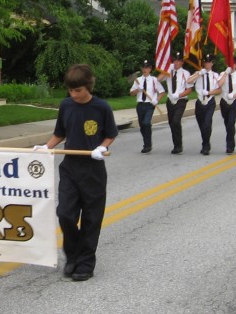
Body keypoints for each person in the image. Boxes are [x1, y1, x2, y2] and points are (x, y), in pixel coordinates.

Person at [34, 64, 118, 281]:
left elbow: (110, 134)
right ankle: (73, 255)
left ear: (88, 86)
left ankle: (86, 264)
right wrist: (46, 147)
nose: (74, 95)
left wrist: (102, 147)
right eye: (71, 90)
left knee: (91, 218)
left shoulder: (101, 108)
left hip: (93, 170)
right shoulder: (66, 106)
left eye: (78, 90)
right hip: (70, 167)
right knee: (65, 214)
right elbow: (60, 133)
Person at [187, 53, 223, 155]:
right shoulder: (198, 74)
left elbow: (219, 90)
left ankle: (206, 145)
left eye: (209, 62)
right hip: (199, 102)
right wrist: (199, 74)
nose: (207, 64)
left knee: (207, 123)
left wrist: (209, 92)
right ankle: (205, 142)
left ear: (212, 64)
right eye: (206, 62)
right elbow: (188, 81)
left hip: (210, 101)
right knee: (202, 125)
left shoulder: (215, 76)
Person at [159, 52, 192, 154]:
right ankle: (176, 145)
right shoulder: (170, 71)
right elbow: (158, 79)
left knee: (176, 121)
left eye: (178, 61)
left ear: (182, 62)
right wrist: (166, 70)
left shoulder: (186, 73)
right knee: (171, 123)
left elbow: (189, 89)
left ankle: (179, 145)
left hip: (180, 100)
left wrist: (179, 95)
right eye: (175, 60)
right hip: (170, 100)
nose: (176, 62)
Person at [129, 59, 165, 153]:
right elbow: (131, 93)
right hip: (140, 105)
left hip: (150, 105)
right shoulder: (138, 80)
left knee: (146, 123)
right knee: (142, 126)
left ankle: (147, 145)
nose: (145, 69)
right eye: (144, 67)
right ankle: (147, 141)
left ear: (150, 69)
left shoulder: (154, 80)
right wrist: (138, 89)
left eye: (147, 67)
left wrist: (156, 100)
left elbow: (162, 92)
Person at [218, 60, 236, 154]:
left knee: (231, 121)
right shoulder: (223, 74)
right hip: (224, 101)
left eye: (233, 64)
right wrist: (226, 73)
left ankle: (230, 146)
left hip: (235, 101)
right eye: (229, 64)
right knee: (228, 123)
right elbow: (219, 84)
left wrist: (234, 95)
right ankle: (231, 133)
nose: (231, 66)